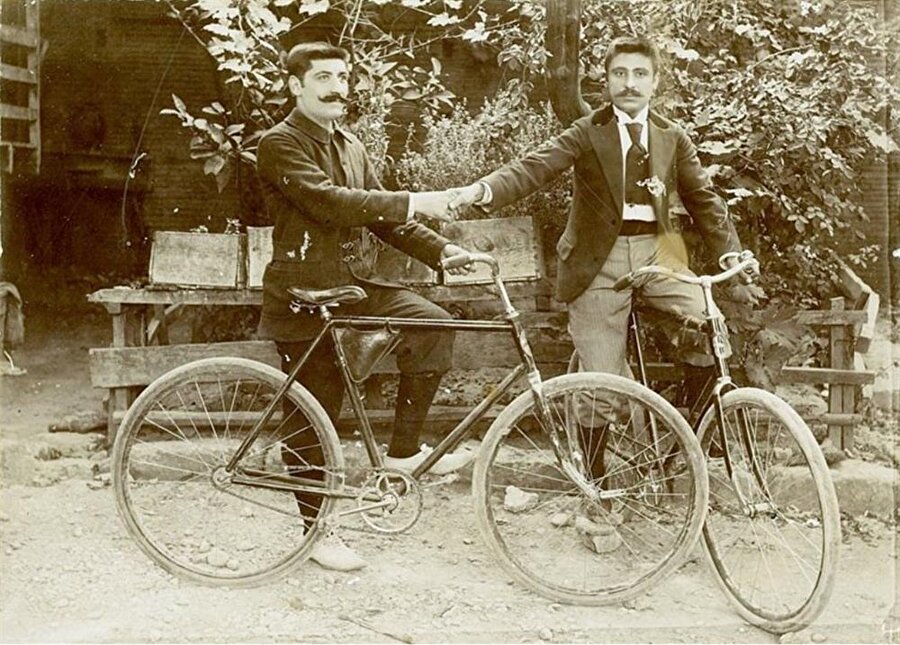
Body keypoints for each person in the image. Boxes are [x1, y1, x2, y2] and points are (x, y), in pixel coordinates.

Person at [449, 36, 751, 501]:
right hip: (599, 262)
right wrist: (481, 191)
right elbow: (534, 167)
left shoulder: (673, 137)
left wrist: (729, 249)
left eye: (639, 74)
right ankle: (593, 480)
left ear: (655, 82)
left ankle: (685, 441)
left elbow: (704, 200)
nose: (629, 84)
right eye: (620, 74)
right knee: (602, 386)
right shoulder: (588, 131)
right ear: (606, 80)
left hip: (660, 254)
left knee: (712, 326)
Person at [256, 41, 474, 571]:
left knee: (432, 324)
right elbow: (331, 203)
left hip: (353, 284)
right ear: (295, 86)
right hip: (304, 295)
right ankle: (318, 532)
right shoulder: (278, 144)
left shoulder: (351, 145)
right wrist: (418, 199)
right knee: (314, 416)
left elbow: (383, 218)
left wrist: (444, 250)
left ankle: (402, 452)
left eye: (343, 77)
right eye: (324, 78)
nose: (337, 88)